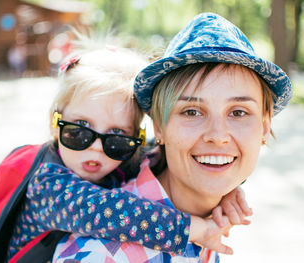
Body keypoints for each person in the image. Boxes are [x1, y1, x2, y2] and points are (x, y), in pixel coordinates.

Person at [52, 12, 292, 262]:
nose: (218, 136)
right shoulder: (100, 254)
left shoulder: (210, 215)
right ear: (159, 128)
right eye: (191, 111)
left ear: (264, 128)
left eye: (239, 112)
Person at [0, 43, 249, 262]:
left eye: (117, 139)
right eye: (79, 131)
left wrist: (223, 187)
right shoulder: (47, 185)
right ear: (55, 125)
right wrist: (196, 230)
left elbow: (180, 152)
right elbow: (111, 213)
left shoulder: (123, 158)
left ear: (135, 140)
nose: (96, 147)